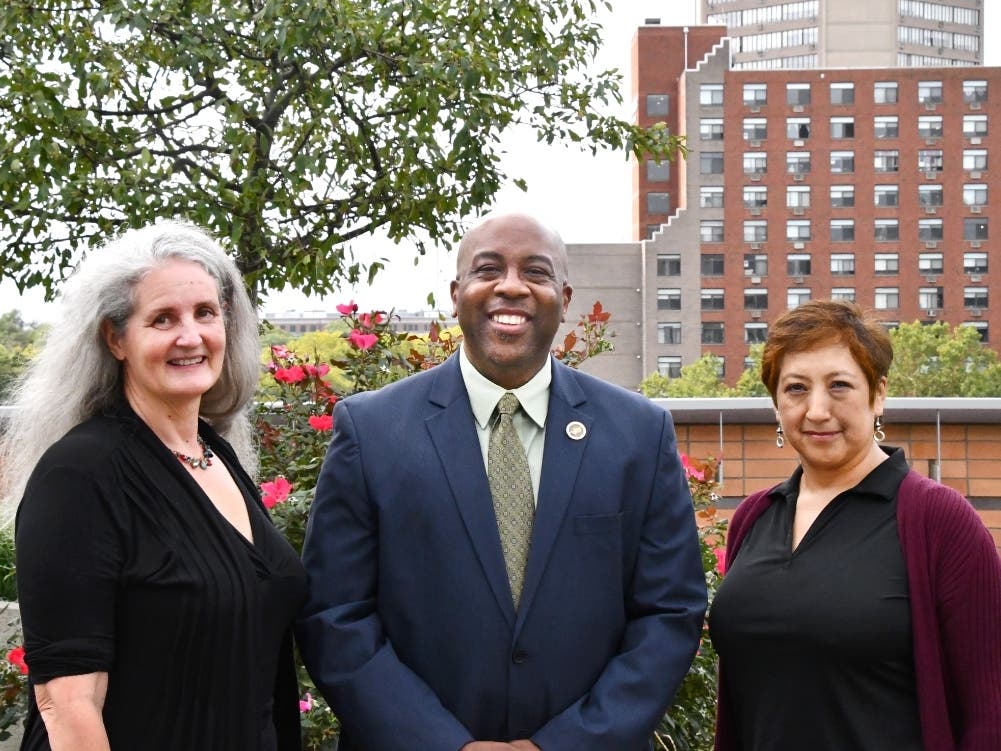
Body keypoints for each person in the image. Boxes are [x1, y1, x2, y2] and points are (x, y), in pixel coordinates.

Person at [296, 211, 707, 751]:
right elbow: (335, 614)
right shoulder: (371, 431)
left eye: (535, 272)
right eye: (488, 269)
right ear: (456, 292)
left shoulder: (638, 434)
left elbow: (669, 612)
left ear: (564, 295)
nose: (511, 286)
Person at [1, 221, 307, 750]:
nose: (190, 337)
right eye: (163, 319)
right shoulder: (80, 475)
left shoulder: (216, 455)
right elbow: (68, 706)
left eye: (205, 313)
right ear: (116, 338)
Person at [709, 299, 1001, 751]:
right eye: (796, 389)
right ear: (776, 405)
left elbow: (989, 717)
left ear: (878, 393)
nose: (817, 410)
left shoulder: (939, 522)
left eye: (839, 385)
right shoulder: (754, 518)